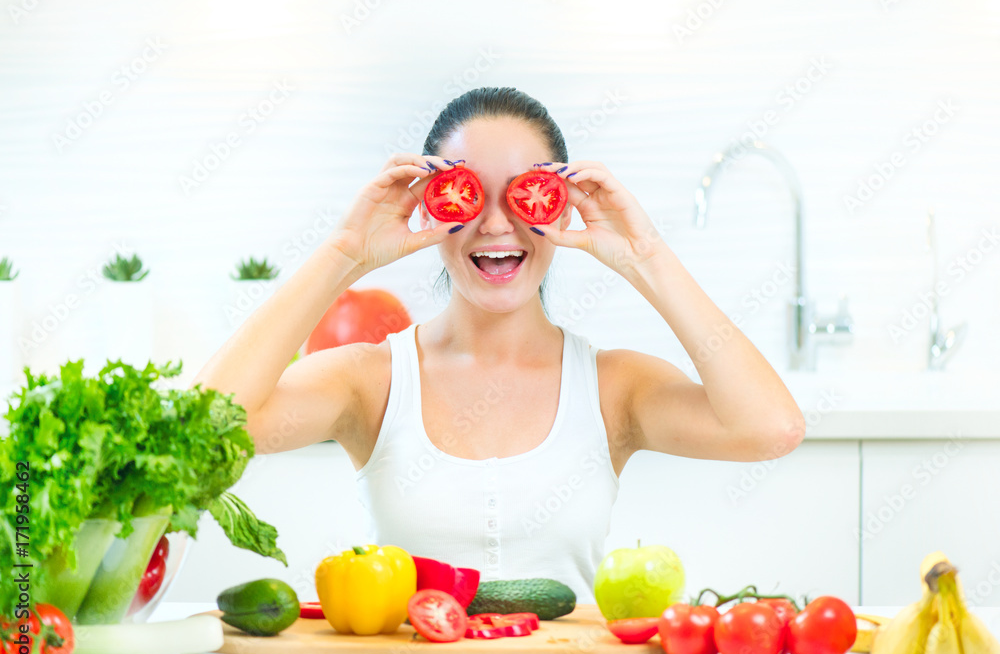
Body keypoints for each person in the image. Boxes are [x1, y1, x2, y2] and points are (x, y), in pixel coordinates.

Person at [192, 87, 805, 605]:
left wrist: (648, 258)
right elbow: (203, 431)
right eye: (465, 194)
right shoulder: (371, 380)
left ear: (561, 206)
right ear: (429, 206)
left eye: (524, 194)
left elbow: (771, 429)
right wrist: (342, 254)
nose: (494, 224)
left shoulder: (615, 387)